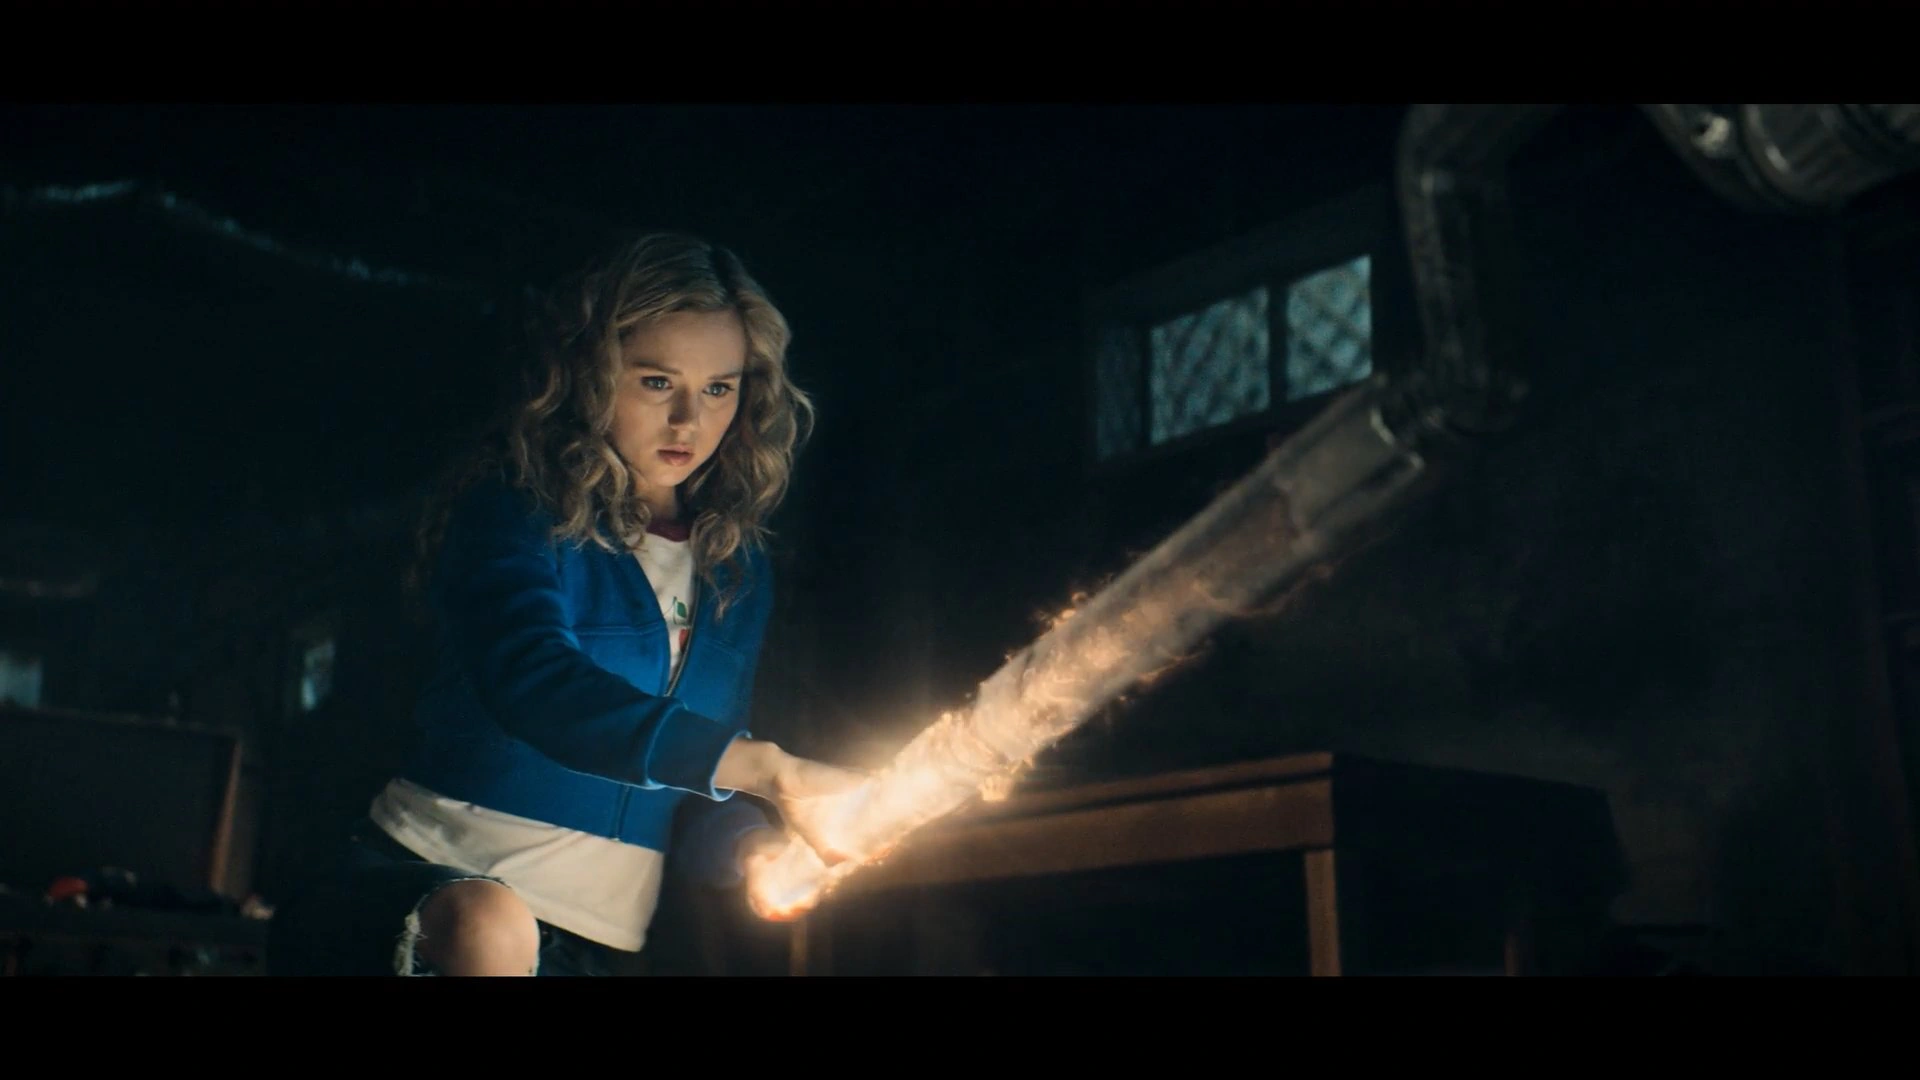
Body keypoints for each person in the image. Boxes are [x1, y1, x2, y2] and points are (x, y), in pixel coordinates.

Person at [268, 232, 863, 976]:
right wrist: (769, 768)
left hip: (596, 948)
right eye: (657, 382)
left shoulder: (735, 572)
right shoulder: (516, 510)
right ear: (591, 372)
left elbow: (695, 788)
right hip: (432, 900)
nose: (689, 420)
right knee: (491, 924)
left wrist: (753, 849)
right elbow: (534, 680)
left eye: (719, 388)